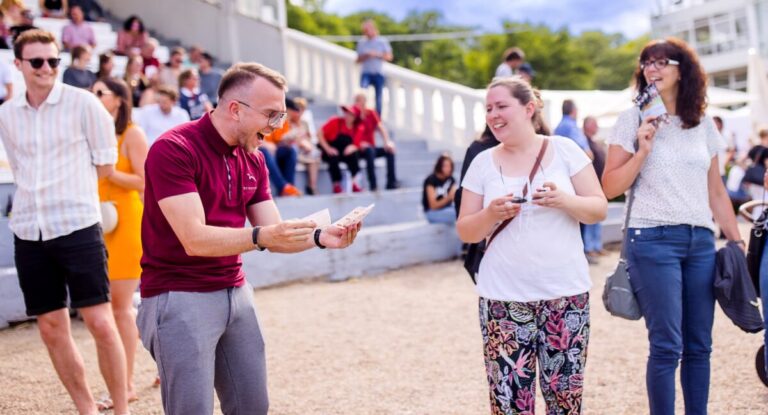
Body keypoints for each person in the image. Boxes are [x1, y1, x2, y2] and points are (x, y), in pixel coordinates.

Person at [136, 62, 361, 415]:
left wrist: (322, 238)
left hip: (235, 292)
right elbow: (194, 239)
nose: (278, 126)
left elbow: (275, 233)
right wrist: (262, 236)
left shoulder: (253, 159)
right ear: (235, 109)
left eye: (281, 115)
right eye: (271, 114)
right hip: (178, 294)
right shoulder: (173, 148)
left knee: (253, 407)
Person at [601, 37, 743, 415]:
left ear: (684, 71)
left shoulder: (703, 124)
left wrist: (737, 242)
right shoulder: (632, 119)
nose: (653, 68)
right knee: (666, 346)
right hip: (652, 239)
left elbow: (716, 192)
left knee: (700, 346)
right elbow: (610, 187)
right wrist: (643, 150)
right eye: (647, 62)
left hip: (700, 242)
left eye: (663, 62)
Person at [457, 76, 606, 414]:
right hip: (502, 298)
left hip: (565, 295)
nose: (493, 115)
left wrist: (564, 200)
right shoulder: (482, 162)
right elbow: (466, 231)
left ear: (529, 108)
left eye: (501, 106)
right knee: (509, 405)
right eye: (488, 108)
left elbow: (598, 208)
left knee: (565, 402)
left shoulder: (565, 150)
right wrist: (491, 214)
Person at [0, 29, 129, 415]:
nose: (47, 68)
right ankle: (86, 409)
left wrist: (70, 191)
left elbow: (105, 164)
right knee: (50, 327)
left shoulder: (84, 104)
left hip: (78, 225)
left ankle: (121, 409)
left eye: (54, 60)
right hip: (28, 229)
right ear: (18, 64)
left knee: (100, 322)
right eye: (37, 61)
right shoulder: (6, 113)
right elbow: (18, 165)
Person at [94, 77, 148, 409]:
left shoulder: (132, 134)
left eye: (100, 93)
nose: (94, 97)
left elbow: (145, 180)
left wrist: (110, 172)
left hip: (126, 222)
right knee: (111, 309)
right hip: (96, 222)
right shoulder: (93, 133)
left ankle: (125, 385)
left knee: (119, 307)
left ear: (118, 99)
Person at [352, 92, 398, 191]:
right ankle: (373, 185)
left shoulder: (371, 113)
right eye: (357, 101)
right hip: (358, 149)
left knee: (389, 151)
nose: (360, 103)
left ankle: (391, 182)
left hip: (371, 148)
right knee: (369, 151)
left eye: (361, 101)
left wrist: (387, 142)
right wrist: (359, 144)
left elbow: (381, 127)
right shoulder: (352, 115)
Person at [318, 105, 363, 193]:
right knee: (333, 157)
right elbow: (319, 133)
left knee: (354, 155)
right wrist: (328, 148)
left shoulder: (358, 128)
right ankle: (336, 185)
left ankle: (354, 182)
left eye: (351, 114)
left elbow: (356, 144)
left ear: (355, 117)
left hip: (344, 152)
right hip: (330, 149)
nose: (347, 115)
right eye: (347, 113)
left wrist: (352, 147)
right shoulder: (335, 121)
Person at [582, 116, 606, 260]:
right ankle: (589, 247)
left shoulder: (593, 142)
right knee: (590, 219)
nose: (597, 127)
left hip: (599, 185)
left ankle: (597, 246)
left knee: (598, 218)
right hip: (589, 185)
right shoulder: (584, 142)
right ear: (588, 126)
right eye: (595, 124)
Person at [356, 19, 391, 116]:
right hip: (366, 73)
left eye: (368, 30)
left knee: (378, 98)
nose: (367, 33)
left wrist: (376, 54)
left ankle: (377, 118)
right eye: (365, 31)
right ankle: (361, 115)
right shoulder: (361, 42)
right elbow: (357, 60)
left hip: (378, 73)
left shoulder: (382, 41)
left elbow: (389, 57)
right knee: (362, 94)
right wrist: (366, 55)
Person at [291, 97, 320, 195]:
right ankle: (311, 187)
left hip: (306, 150)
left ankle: (312, 186)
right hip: (296, 150)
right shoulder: (288, 123)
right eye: (298, 109)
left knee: (314, 156)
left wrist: (307, 145)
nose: (300, 112)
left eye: (302, 109)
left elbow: (309, 138)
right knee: (313, 157)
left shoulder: (305, 123)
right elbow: (293, 140)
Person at [422, 154, 456, 224]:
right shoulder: (431, 180)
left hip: (447, 208)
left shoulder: (451, 179)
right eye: (445, 166)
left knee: (463, 211)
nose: (448, 169)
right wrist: (449, 197)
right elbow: (433, 206)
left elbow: (454, 199)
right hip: (432, 212)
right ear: (439, 166)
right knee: (458, 213)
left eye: (450, 166)